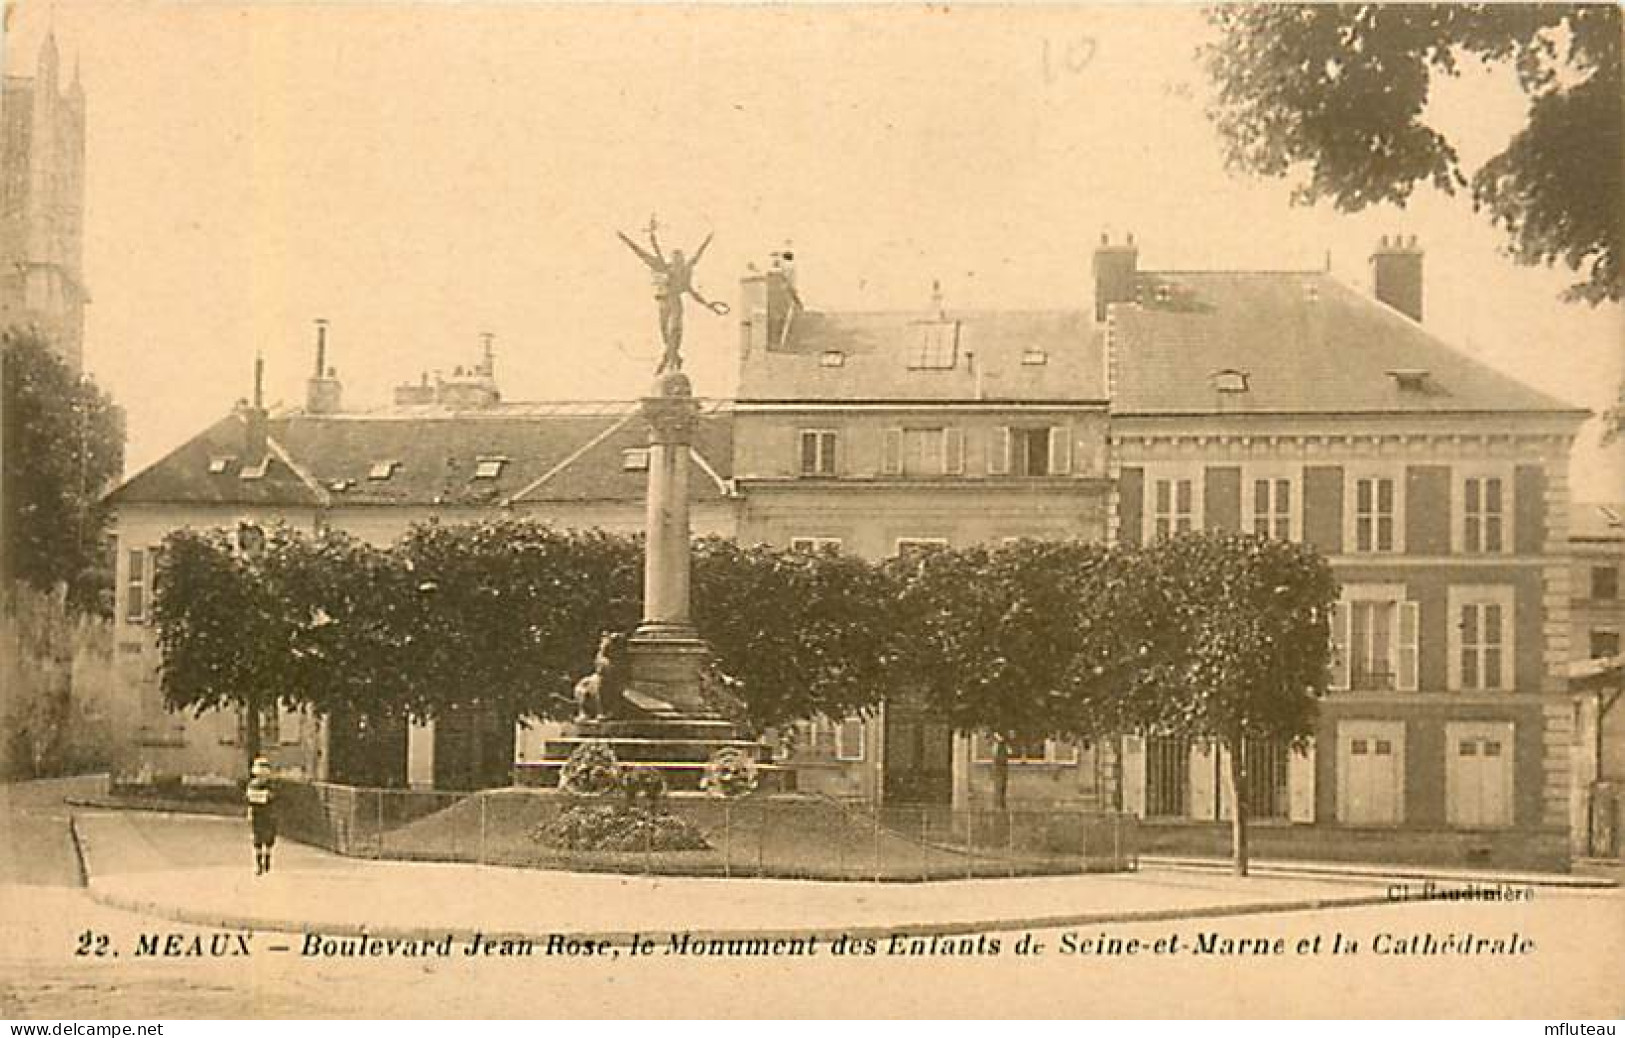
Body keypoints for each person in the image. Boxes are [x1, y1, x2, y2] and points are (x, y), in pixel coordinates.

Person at [246, 756, 278, 875]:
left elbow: (274, 798)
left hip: (269, 814)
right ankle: (259, 864)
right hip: (257, 814)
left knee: (269, 838)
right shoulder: (252, 785)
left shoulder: (271, 785)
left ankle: (267, 859)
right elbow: (250, 799)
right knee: (257, 838)